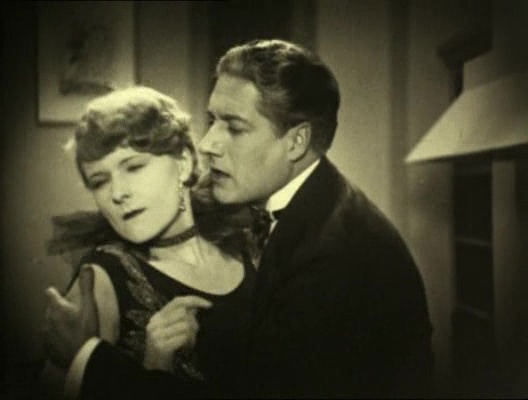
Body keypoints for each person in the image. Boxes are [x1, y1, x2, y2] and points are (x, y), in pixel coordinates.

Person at [43, 39, 434, 398]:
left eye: (233, 126)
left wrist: (93, 360)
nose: (208, 143)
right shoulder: (101, 277)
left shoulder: (328, 255)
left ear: (296, 142)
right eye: (99, 180)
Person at [41, 86, 256, 398]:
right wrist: (154, 368)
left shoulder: (246, 242)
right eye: (100, 182)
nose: (118, 193)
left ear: (183, 163)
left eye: (134, 167)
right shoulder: (100, 279)